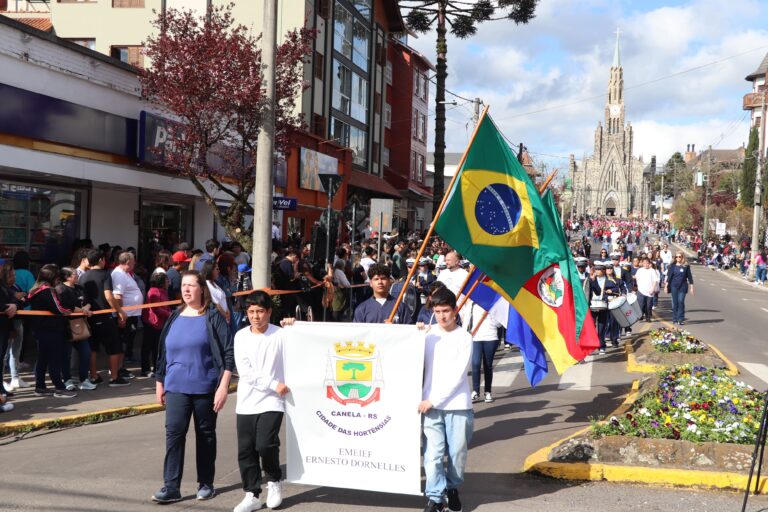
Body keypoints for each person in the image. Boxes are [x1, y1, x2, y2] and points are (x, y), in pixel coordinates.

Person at [152, 270, 233, 503]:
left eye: (191, 286)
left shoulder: (212, 316)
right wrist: (160, 382)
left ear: (201, 289)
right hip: (176, 386)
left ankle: (206, 483)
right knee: (174, 435)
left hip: (205, 387)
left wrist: (223, 386)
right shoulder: (174, 316)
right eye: (184, 286)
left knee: (205, 435)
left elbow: (228, 352)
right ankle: (171, 486)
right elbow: (163, 353)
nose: (186, 289)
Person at [232, 291, 292, 512]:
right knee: (246, 449)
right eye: (251, 312)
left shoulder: (281, 335)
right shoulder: (240, 336)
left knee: (266, 444)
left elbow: (303, 345)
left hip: (273, 400)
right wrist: (273, 383)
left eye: (260, 311)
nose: (255, 316)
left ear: (269, 312)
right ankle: (252, 494)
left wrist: (295, 325)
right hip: (247, 400)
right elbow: (245, 372)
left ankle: (274, 481)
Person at [418, 287, 473, 512]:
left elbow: (459, 375)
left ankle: (452, 488)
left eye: (446, 311)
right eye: (438, 311)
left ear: (455, 310)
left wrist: (434, 399)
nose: (442, 316)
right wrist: (413, 334)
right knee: (432, 455)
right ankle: (435, 497)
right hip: (429, 408)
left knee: (457, 454)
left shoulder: (465, 338)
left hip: (458, 406)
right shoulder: (427, 335)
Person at [79, 249, 130, 387]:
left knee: (93, 348)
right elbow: (108, 295)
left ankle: (94, 375)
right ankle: (114, 377)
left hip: (89, 317)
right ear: (101, 259)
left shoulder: (83, 276)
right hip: (104, 315)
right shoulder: (105, 275)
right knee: (114, 347)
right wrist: (120, 311)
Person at [27, 265, 77, 398]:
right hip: (51, 329)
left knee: (42, 358)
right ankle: (59, 388)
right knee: (55, 359)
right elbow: (59, 309)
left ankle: (40, 386)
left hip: (40, 329)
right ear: (53, 278)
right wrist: (69, 311)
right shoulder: (47, 291)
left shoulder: (34, 290)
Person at [58, 267, 96, 391]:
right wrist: (84, 310)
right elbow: (67, 306)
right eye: (74, 274)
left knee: (86, 352)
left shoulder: (80, 288)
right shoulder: (61, 289)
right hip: (66, 325)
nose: (77, 275)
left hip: (81, 324)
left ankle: (84, 379)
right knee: (66, 355)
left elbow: (89, 301)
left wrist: (87, 307)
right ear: (67, 277)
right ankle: (67, 379)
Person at [467, 301, 501, 403]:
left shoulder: (493, 304)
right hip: (475, 338)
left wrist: (490, 314)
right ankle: (475, 391)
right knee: (475, 363)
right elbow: (466, 322)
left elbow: (499, 324)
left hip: (491, 337)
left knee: (488, 365)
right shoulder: (471, 304)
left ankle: (487, 392)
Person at [142, 272, 171, 377]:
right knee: (148, 346)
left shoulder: (163, 291)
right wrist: (169, 314)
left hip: (160, 323)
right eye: (166, 280)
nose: (168, 282)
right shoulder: (153, 291)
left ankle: (157, 367)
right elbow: (156, 308)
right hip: (152, 322)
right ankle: (145, 369)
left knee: (157, 347)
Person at [0, 261, 19, 402]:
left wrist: (13, 304)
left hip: (4, 326)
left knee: (1, 358)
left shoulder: (3, 284)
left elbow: (13, 298)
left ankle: (1, 388)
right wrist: (7, 306)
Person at [666, 253, 694, 325]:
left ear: (682, 257)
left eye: (679, 257)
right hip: (674, 286)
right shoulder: (672, 266)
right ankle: (674, 318)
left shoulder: (686, 266)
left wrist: (691, 287)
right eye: (676, 257)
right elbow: (669, 277)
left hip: (683, 286)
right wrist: (666, 286)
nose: (678, 258)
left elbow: (689, 277)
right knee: (675, 303)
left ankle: (680, 319)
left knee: (681, 301)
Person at [634, 257, 659, 323]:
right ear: (642, 263)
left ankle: (648, 317)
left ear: (649, 263)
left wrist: (653, 289)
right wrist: (638, 285)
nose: (645, 264)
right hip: (641, 290)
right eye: (644, 263)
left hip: (650, 291)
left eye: (647, 263)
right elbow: (637, 278)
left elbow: (655, 281)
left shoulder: (652, 271)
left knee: (648, 306)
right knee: (641, 305)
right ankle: (640, 315)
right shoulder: (640, 270)